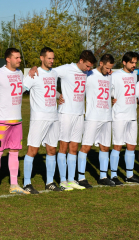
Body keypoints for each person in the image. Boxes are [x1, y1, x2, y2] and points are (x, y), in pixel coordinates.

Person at [29, 50, 96, 191]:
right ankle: (63, 180)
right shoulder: (66, 69)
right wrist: (34, 68)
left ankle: (71, 180)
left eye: (91, 67)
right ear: (81, 60)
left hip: (79, 114)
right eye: (88, 66)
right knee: (63, 147)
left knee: (74, 148)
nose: (89, 70)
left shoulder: (87, 72)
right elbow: (47, 72)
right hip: (65, 113)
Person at [22, 47, 62, 194]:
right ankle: (27, 183)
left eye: (53, 58)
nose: (51, 61)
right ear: (42, 58)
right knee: (33, 149)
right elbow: (21, 89)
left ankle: (49, 182)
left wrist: (59, 96)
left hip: (53, 116)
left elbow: (50, 89)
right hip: (39, 117)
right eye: (49, 58)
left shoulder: (55, 73)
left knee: (52, 149)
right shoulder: (34, 74)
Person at [0, 48, 29, 196]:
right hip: (1, 120)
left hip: (17, 120)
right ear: (8, 59)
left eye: (19, 57)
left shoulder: (19, 73)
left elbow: (25, 87)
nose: (19, 60)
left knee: (14, 152)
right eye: (17, 58)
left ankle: (14, 184)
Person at [79, 54, 116, 187]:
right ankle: (81, 177)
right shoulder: (89, 74)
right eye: (106, 67)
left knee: (105, 147)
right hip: (92, 117)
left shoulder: (110, 75)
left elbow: (110, 91)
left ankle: (103, 176)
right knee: (86, 147)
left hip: (107, 116)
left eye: (110, 68)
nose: (108, 70)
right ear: (100, 63)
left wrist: (113, 98)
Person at [110, 52, 139, 185]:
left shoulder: (134, 75)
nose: (134, 65)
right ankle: (113, 175)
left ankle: (129, 175)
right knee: (118, 145)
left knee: (131, 145)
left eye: (135, 63)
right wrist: (112, 97)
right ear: (124, 62)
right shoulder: (115, 75)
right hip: (119, 114)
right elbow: (108, 89)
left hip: (132, 115)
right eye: (132, 63)